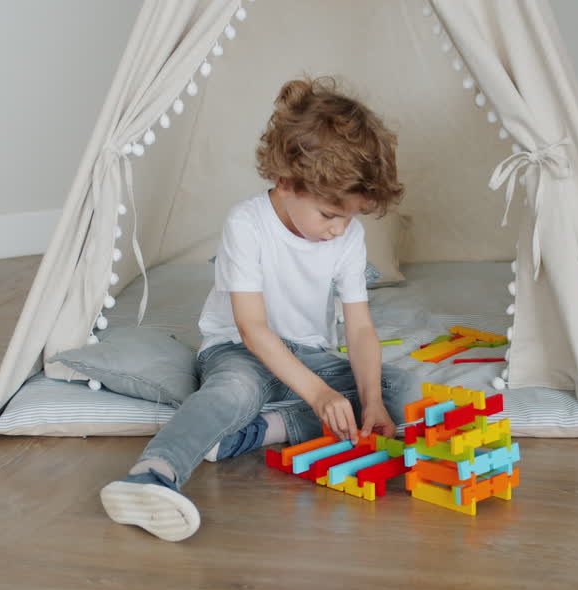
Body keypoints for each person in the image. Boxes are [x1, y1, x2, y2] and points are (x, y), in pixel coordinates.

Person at [100, 76, 410, 542]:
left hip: (307, 354)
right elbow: (251, 329)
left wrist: (370, 401)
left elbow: (361, 330)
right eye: (330, 215)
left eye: (351, 217)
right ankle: (152, 474)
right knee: (237, 391)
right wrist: (319, 395)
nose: (340, 230)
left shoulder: (348, 236)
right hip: (238, 350)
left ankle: (263, 430)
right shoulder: (247, 224)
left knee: (396, 385)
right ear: (287, 182)